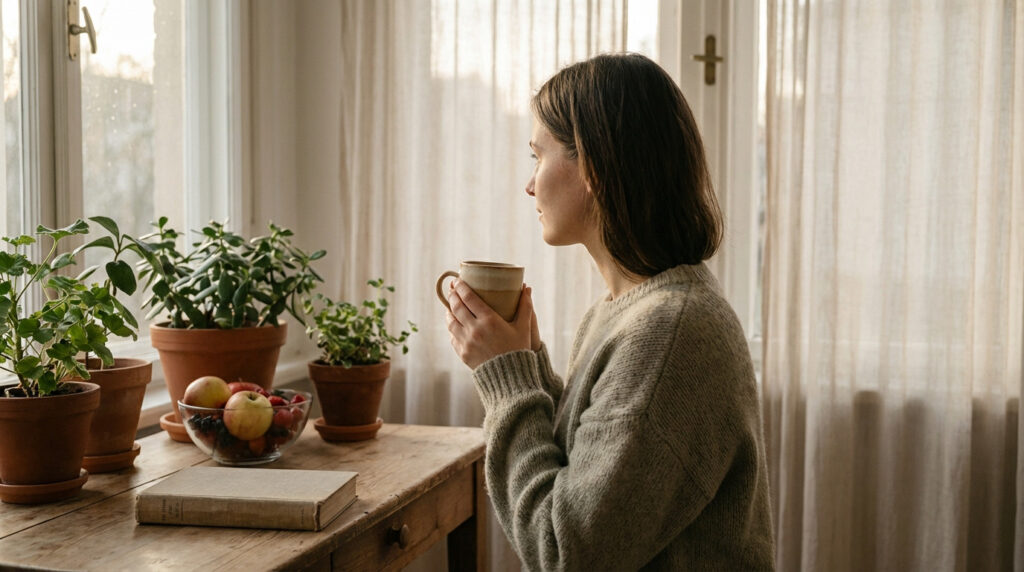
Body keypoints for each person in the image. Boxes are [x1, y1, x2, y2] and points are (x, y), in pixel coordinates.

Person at [443, 53, 774, 571]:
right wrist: (526, 366)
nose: (530, 184)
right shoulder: (624, 311)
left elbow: (565, 553)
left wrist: (505, 379)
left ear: (593, 167)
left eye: (538, 156)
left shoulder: (669, 332)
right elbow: (590, 466)